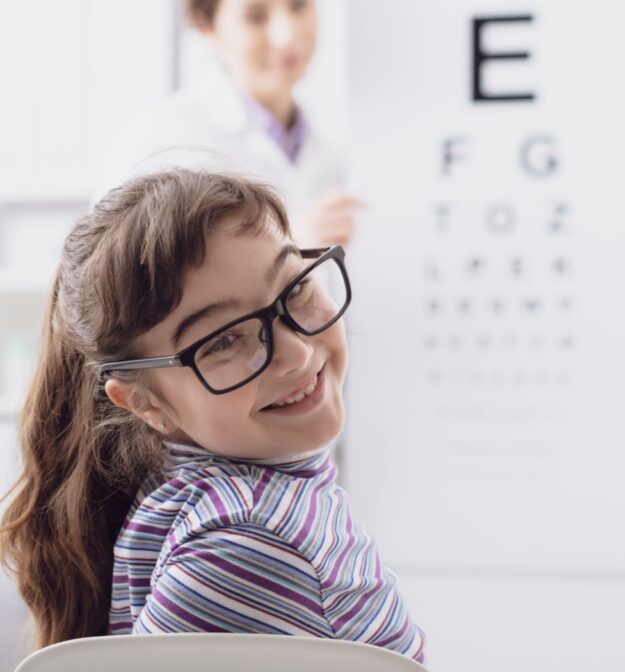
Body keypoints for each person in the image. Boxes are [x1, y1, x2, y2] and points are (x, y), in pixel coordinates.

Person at [0, 169, 425, 664]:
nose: (296, 353)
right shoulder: (246, 545)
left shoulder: (209, 490)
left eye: (294, 291)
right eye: (224, 340)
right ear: (146, 403)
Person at [94, 0, 359, 248]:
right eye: (255, 17)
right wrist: (288, 253)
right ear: (206, 26)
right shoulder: (156, 139)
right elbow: (114, 284)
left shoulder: (326, 149)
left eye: (299, 5)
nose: (287, 35)